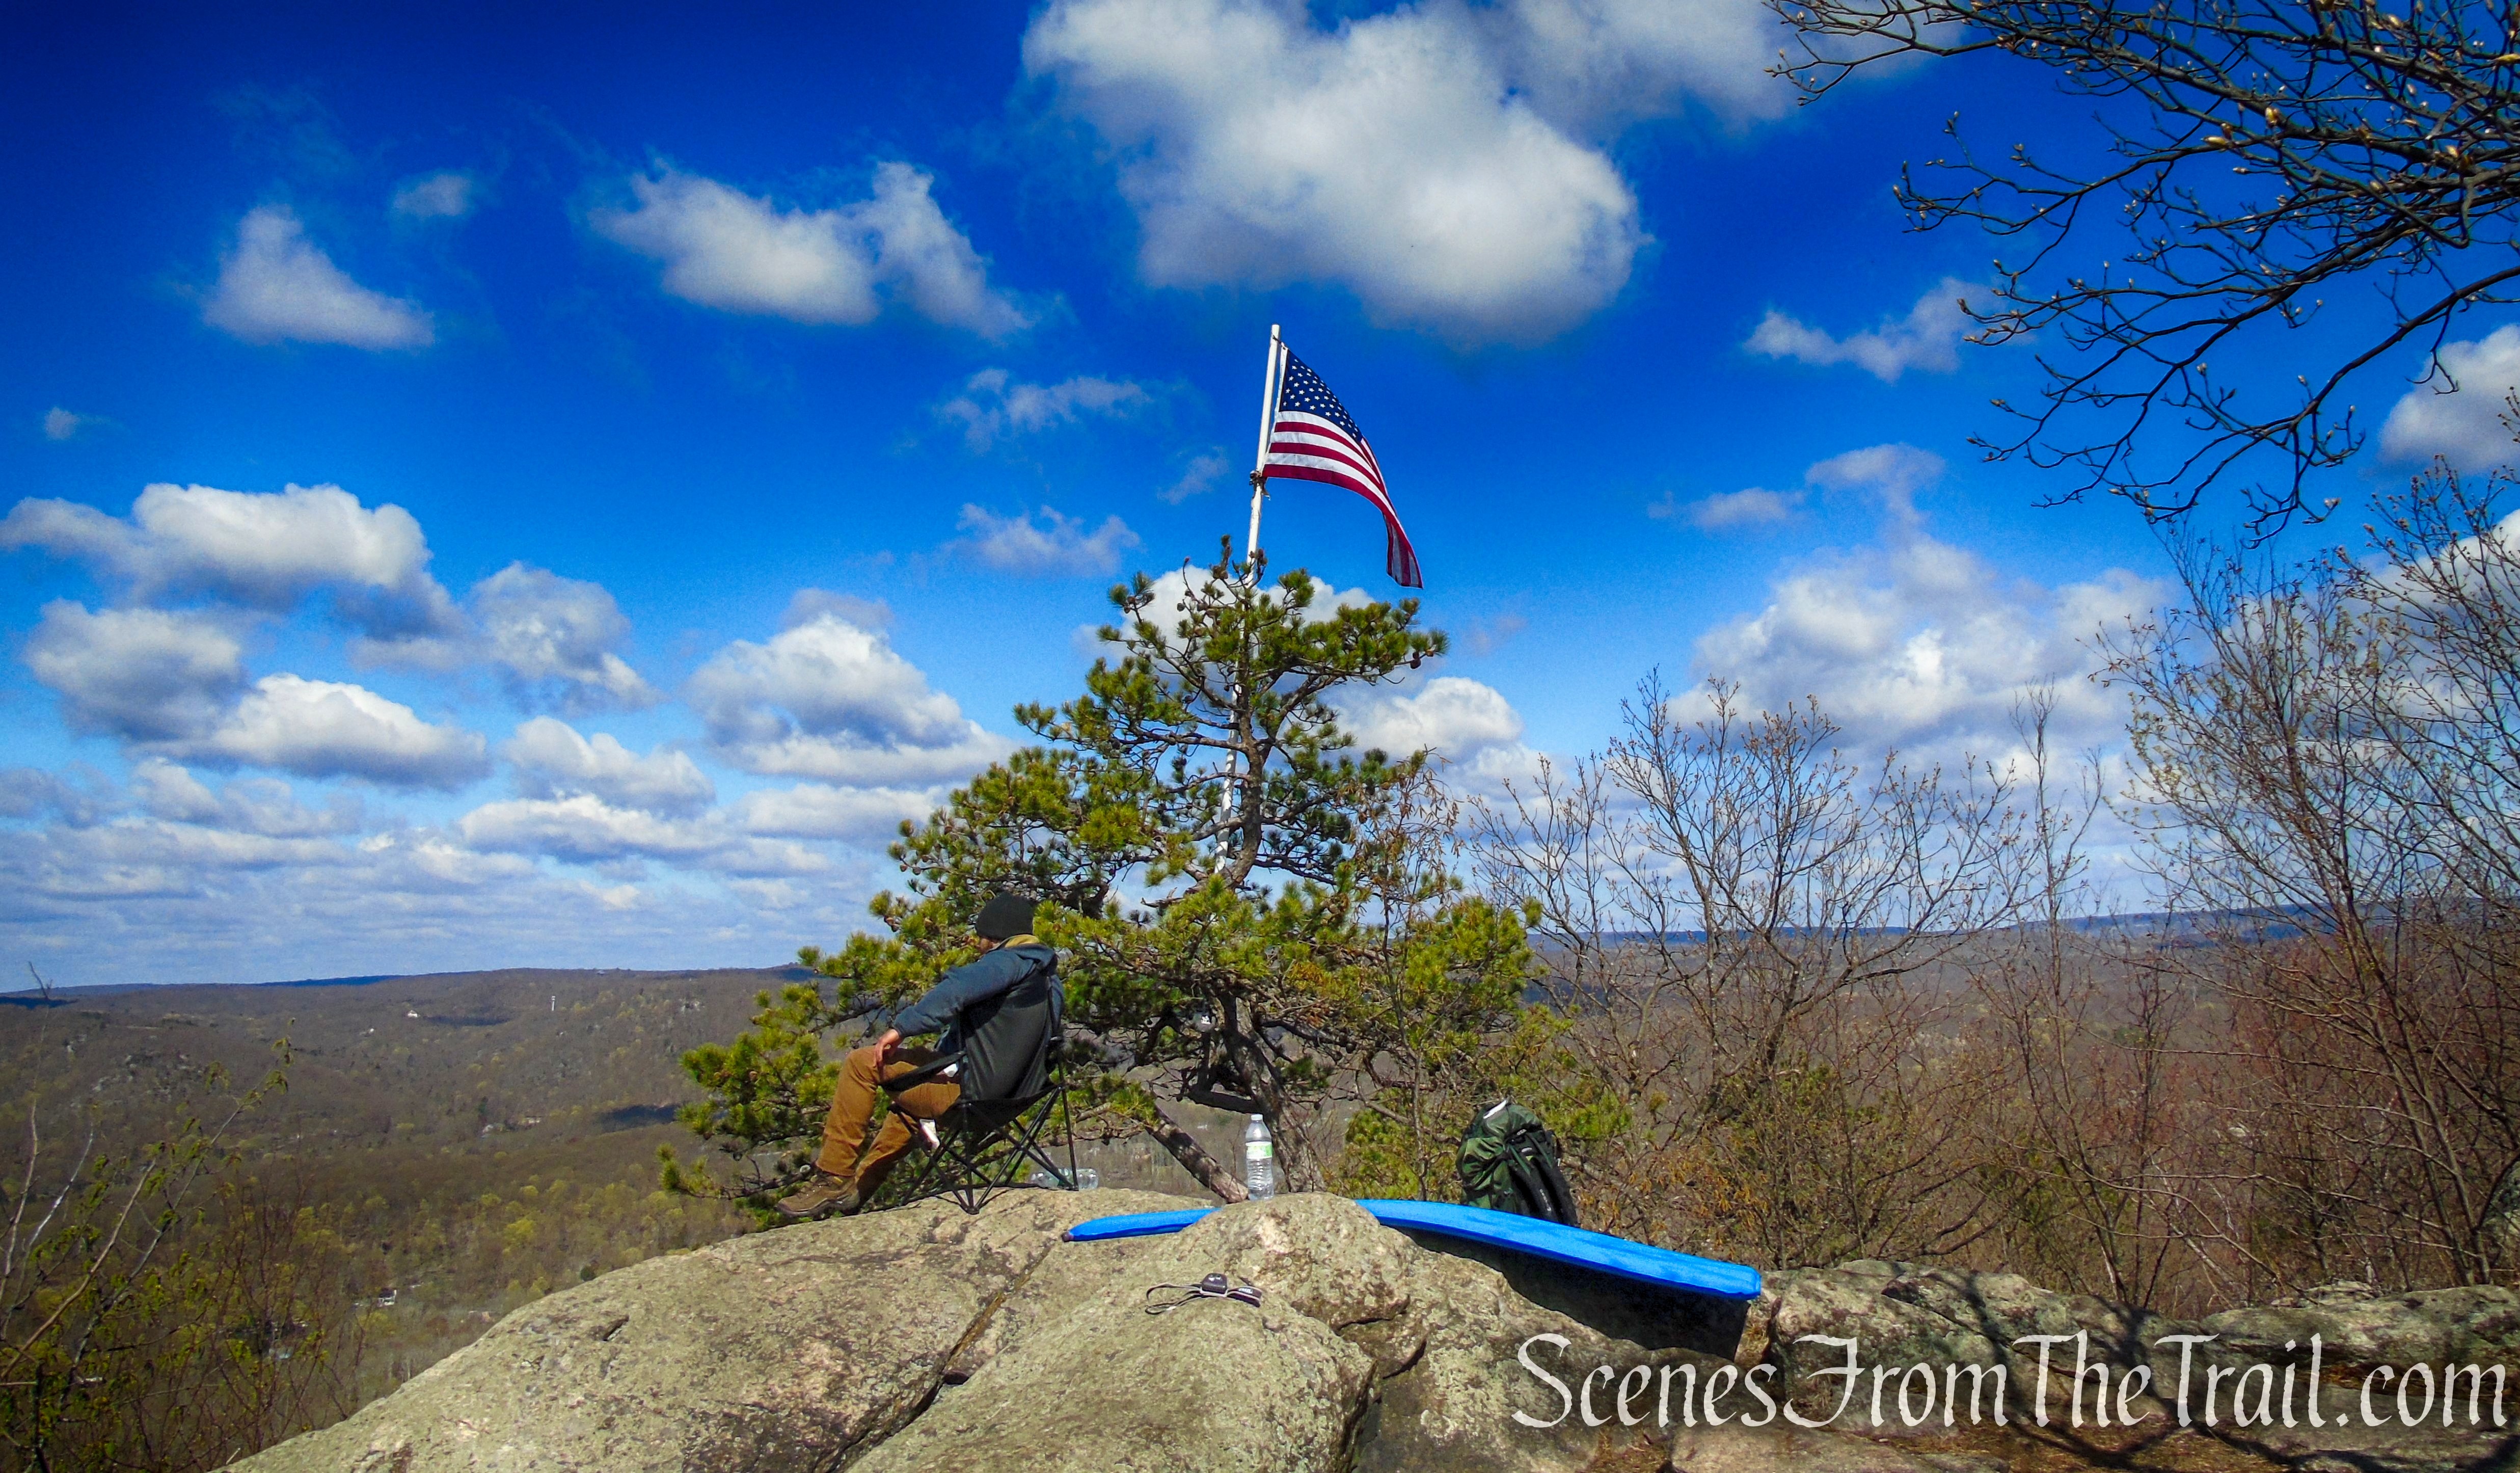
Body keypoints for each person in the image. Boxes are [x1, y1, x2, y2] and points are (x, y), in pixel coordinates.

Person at [778, 893, 1059, 1219]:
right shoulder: (1047, 979)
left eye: (981, 937)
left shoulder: (1006, 962)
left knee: (861, 1064)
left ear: (993, 937)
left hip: (972, 1100)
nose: (977, 945)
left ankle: (833, 1177)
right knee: (908, 1106)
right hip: (1014, 1100)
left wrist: (901, 1029)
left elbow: (955, 990)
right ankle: (855, 1195)